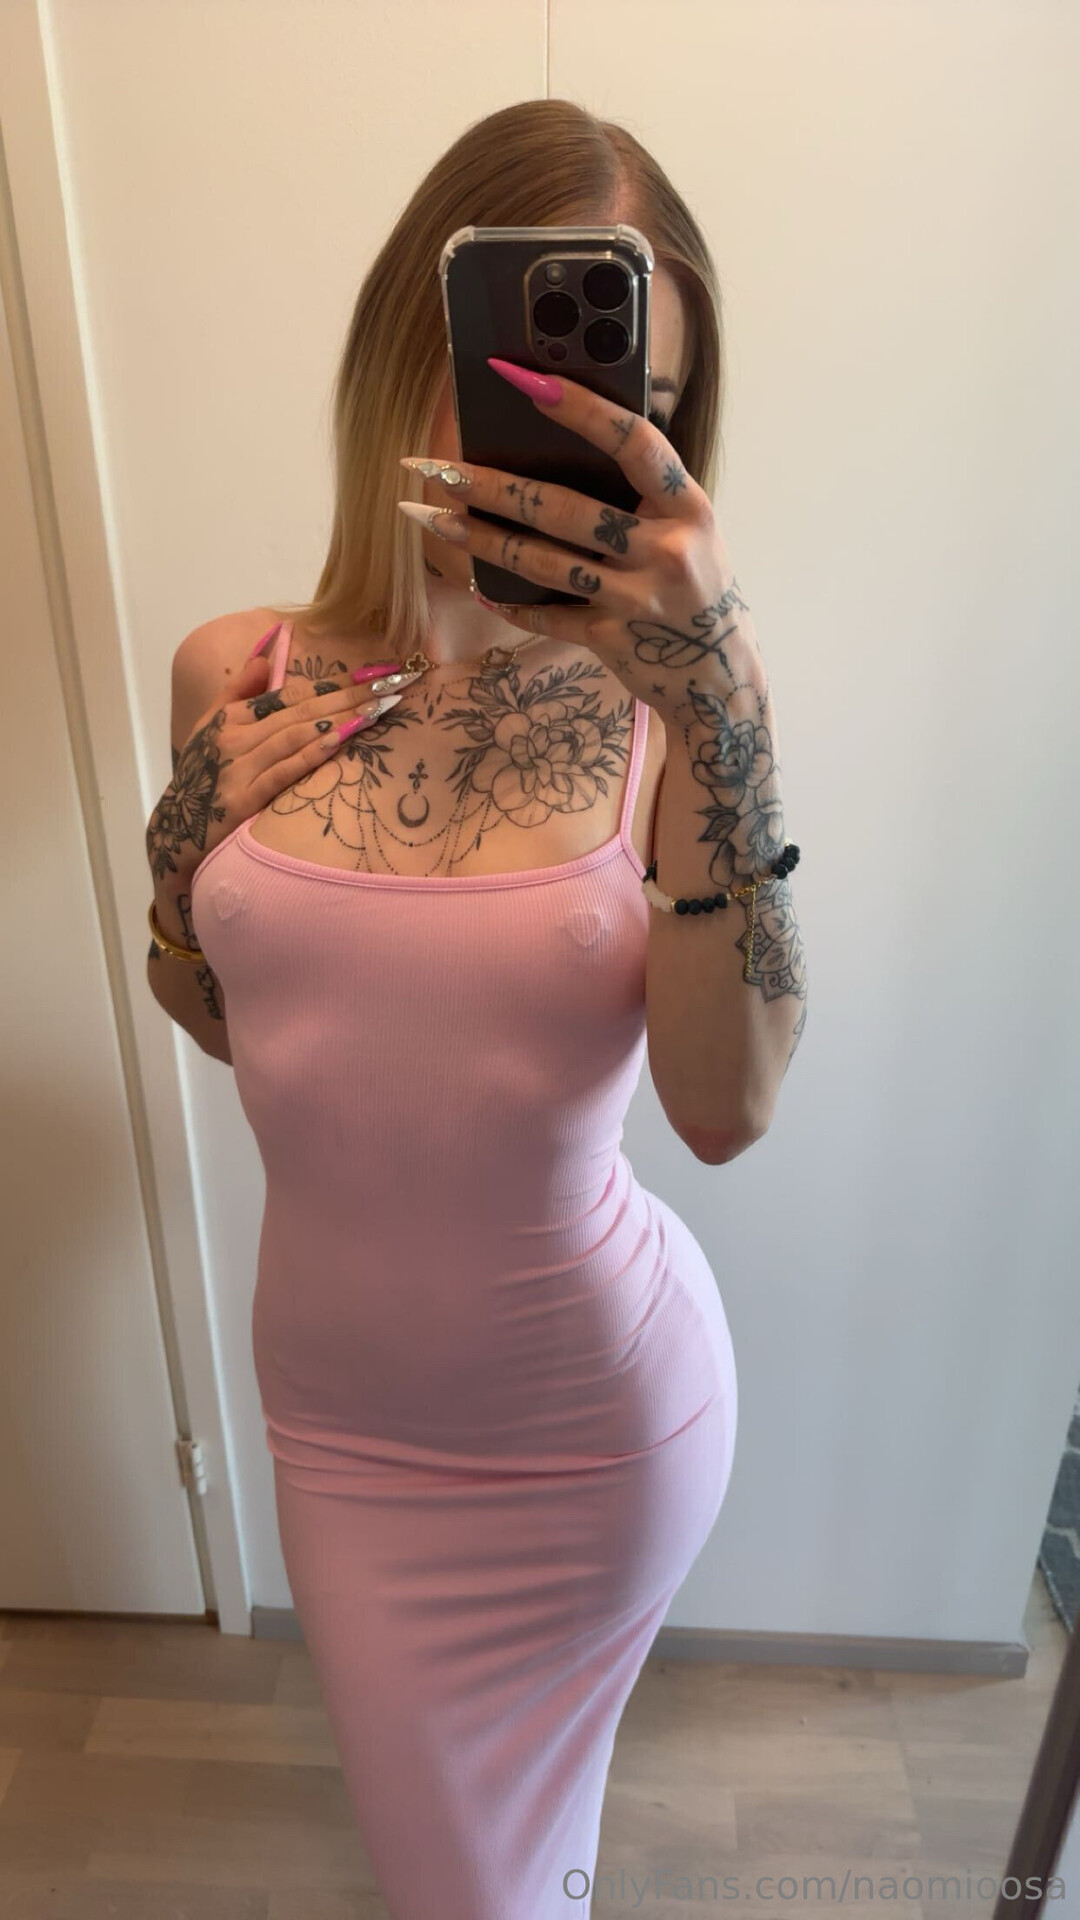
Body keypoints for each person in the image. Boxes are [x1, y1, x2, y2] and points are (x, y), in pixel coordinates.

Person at [146, 98, 806, 1920]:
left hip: (594, 1428)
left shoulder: (683, 706)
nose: (577, 442)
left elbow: (725, 1106)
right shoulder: (237, 671)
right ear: (403, 345)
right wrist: (172, 869)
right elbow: (239, 1029)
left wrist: (722, 709)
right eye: (527, 378)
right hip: (339, 1429)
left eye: (631, 404)